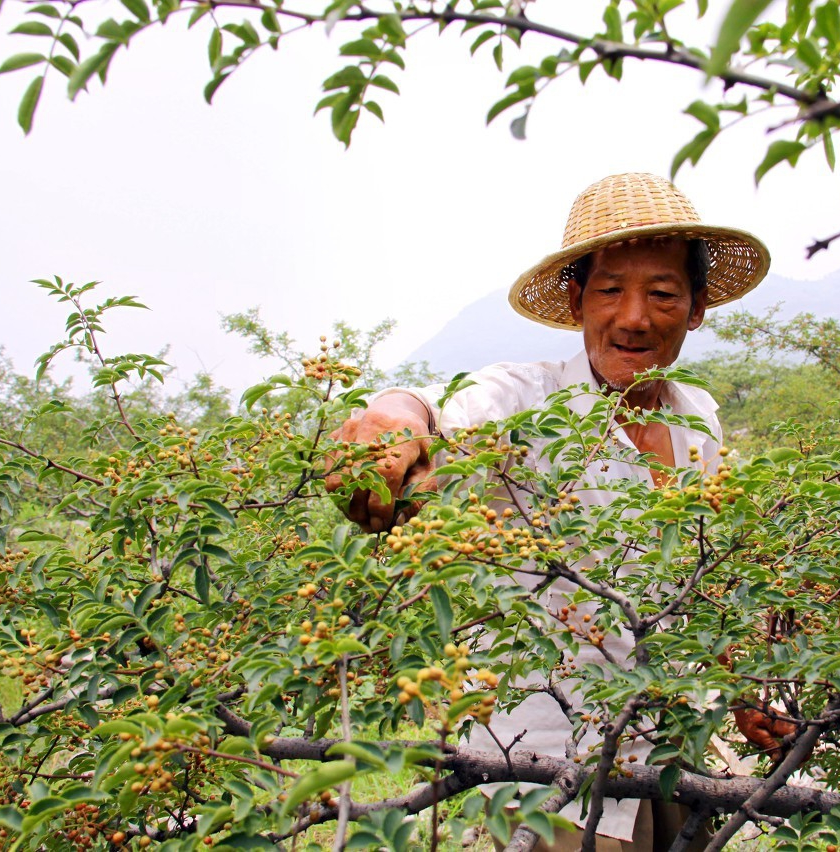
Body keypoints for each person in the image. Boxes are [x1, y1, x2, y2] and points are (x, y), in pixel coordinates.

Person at [327, 173, 771, 850]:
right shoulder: (531, 401)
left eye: (661, 293)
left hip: (670, 756)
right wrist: (393, 424)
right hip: (547, 782)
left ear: (697, 307)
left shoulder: (699, 418)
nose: (634, 317)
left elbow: (698, 584)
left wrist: (738, 692)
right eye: (610, 290)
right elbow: (439, 406)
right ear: (576, 301)